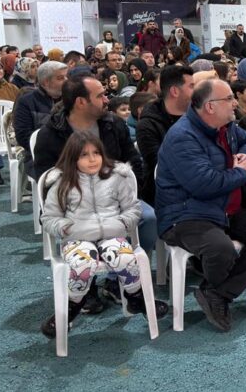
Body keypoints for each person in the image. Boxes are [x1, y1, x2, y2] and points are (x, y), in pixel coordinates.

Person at [156, 79, 246, 331]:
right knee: (221, 248)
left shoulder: (225, 126)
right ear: (210, 107)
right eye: (229, 99)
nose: (235, 103)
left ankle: (218, 293)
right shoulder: (182, 137)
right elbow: (204, 184)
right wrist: (242, 173)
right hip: (185, 213)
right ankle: (219, 294)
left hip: (221, 208)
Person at [39, 131, 167, 338]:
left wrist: (123, 222)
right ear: (72, 158)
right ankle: (71, 308)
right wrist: (65, 228)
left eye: (96, 153)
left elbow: (133, 209)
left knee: (125, 257)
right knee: (82, 265)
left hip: (112, 233)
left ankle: (136, 297)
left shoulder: (116, 178)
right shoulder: (63, 182)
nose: (92, 159)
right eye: (84, 155)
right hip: (77, 237)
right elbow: (49, 217)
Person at [135, 65, 194, 207]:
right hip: (165, 196)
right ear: (174, 91)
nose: (196, 91)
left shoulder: (198, 115)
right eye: (191, 86)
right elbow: (161, 164)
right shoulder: (148, 125)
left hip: (199, 188)